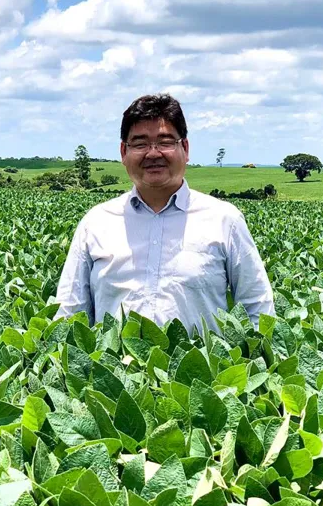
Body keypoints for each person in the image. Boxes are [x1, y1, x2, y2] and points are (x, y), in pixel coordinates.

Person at [54, 93, 275, 333]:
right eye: (139, 143)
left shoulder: (225, 220)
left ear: (185, 148)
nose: (153, 153)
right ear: (123, 152)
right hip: (112, 369)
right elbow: (69, 317)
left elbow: (258, 312)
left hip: (200, 370)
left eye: (165, 141)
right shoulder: (96, 223)